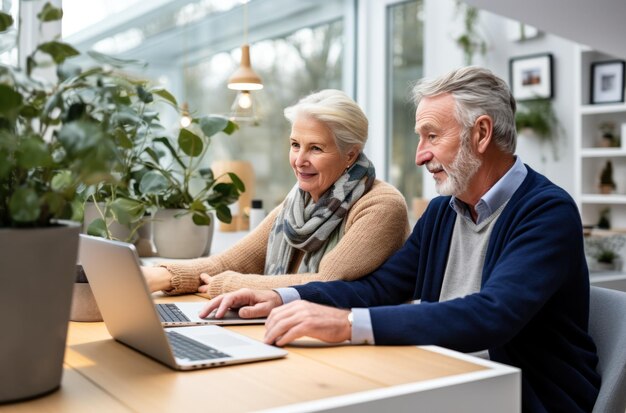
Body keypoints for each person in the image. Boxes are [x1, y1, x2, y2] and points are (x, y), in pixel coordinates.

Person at [201, 67, 601, 412]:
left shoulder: (546, 211)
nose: (419, 155)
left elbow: (492, 314)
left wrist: (345, 324)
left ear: (481, 134)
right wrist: (284, 298)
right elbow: (383, 286)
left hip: (526, 398)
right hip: (445, 377)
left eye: (431, 136)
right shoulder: (445, 210)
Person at [143, 89, 410, 297]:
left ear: (350, 154)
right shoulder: (297, 204)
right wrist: (158, 276)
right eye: (295, 145)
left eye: (315, 148)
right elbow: (230, 261)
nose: (299, 160)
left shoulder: (382, 205)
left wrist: (231, 285)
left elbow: (327, 282)